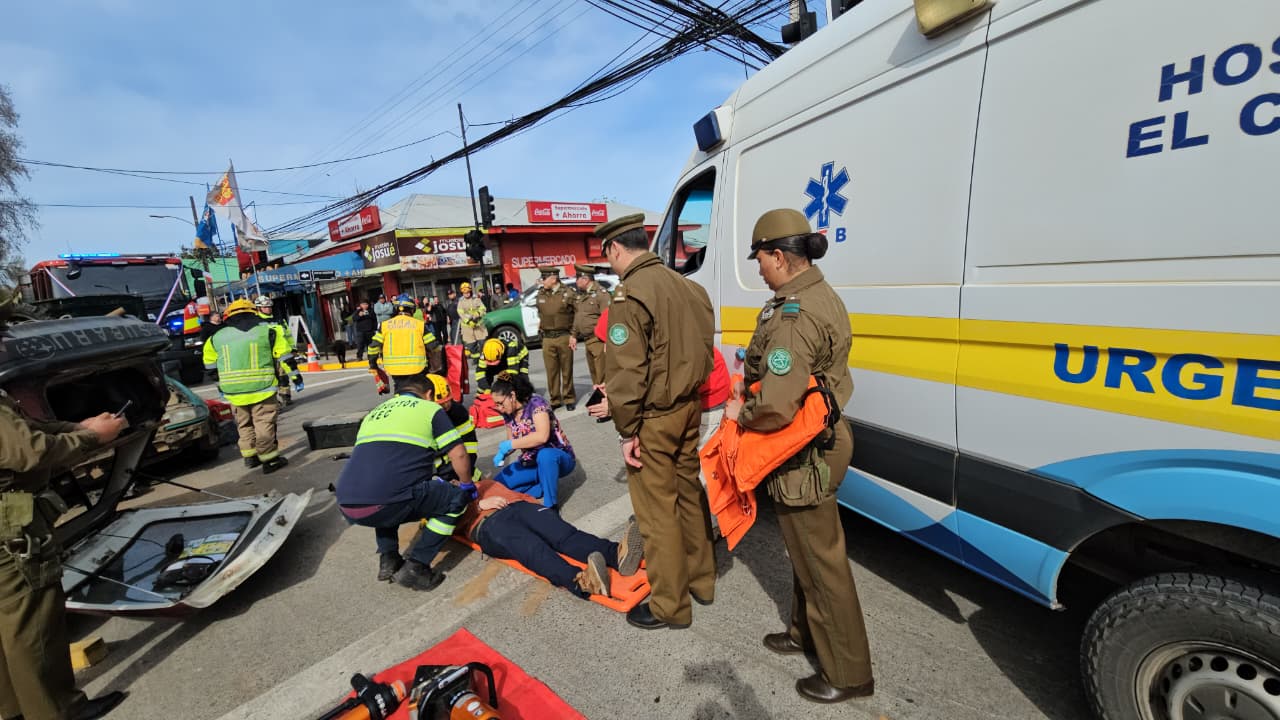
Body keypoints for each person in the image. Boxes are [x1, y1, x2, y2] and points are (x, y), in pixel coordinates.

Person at [725, 208, 874, 703]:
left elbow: (777, 404)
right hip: (812, 441)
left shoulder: (796, 314)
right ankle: (804, 633)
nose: (759, 269)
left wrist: (739, 411)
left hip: (803, 449)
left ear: (778, 256)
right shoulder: (809, 296)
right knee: (805, 553)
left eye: (761, 259)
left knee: (820, 559)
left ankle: (848, 674)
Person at [0, 308, 129, 720]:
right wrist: (93, 437)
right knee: (33, 623)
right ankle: (58, 711)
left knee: (7, 627)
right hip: (10, 528)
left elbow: (25, 433)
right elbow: (29, 451)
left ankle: (16, 709)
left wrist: (79, 427)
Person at [595, 213, 715, 631]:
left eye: (606, 254)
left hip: (655, 417)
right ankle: (703, 580)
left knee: (656, 512)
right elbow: (704, 354)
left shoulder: (630, 296)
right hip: (689, 408)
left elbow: (627, 375)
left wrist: (627, 431)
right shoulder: (691, 287)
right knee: (688, 495)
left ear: (614, 248)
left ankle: (670, 605)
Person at [334, 373, 473, 591]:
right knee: (455, 499)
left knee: (386, 492)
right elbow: (460, 455)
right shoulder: (429, 409)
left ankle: (388, 558)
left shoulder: (374, 414)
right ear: (428, 394)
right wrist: (466, 485)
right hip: (387, 501)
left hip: (347, 503)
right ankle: (417, 566)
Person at [458, 480, 644, 599]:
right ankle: (582, 582)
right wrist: (478, 505)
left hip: (519, 506)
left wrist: (538, 509)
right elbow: (446, 523)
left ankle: (618, 555)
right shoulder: (442, 495)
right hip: (487, 523)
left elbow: (520, 495)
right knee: (532, 549)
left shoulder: (484, 482)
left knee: (564, 535)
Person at [204, 299, 300, 473]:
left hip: (234, 392)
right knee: (264, 423)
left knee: (244, 424)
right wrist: (296, 377)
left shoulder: (216, 338)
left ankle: (250, 456)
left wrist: (220, 386)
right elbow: (285, 357)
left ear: (228, 316)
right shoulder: (268, 331)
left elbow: (210, 366)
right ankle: (269, 460)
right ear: (254, 312)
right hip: (262, 388)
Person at [490, 373, 574, 510]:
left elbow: (542, 437)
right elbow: (512, 441)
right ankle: (541, 485)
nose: (499, 408)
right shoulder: (507, 412)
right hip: (531, 461)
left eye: (500, 403)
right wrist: (503, 453)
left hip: (558, 458)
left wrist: (510, 445)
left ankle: (551, 505)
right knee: (498, 485)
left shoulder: (536, 403)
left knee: (545, 455)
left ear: (512, 395)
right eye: (496, 404)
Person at [368, 294, 444, 390]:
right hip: (417, 368)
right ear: (412, 310)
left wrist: (373, 364)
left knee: (400, 389)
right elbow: (433, 346)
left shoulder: (385, 325)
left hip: (394, 369)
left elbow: (373, 347)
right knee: (421, 391)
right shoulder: (419, 325)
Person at [422, 374, 479, 483]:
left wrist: (466, 470)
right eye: (441, 404)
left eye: (448, 400)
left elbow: (470, 443)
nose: (446, 406)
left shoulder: (458, 412)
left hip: (459, 463)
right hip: (434, 472)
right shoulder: (422, 418)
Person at [534, 266, 576, 410]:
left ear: (553, 278)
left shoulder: (568, 293)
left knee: (566, 369)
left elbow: (577, 315)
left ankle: (569, 398)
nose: (542, 281)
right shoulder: (541, 294)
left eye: (544, 278)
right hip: (547, 338)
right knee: (551, 371)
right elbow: (541, 313)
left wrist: (574, 335)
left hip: (564, 336)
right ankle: (555, 400)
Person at [570, 264, 610, 387]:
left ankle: (605, 401)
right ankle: (598, 400)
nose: (576, 281)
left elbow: (608, 318)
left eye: (578, 278)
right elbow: (579, 316)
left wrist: (607, 341)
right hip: (587, 340)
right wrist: (574, 335)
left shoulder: (601, 294)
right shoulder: (582, 295)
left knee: (602, 374)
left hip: (598, 340)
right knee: (594, 374)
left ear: (586, 279)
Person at [254, 295, 296, 408]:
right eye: (265, 307)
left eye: (269, 306)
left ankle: (286, 396)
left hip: (281, 353)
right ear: (259, 308)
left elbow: (288, 334)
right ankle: (273, 401)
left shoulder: (279, 319)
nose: (268, 308)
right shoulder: (255, 322)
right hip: (266, 355)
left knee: (283, 376)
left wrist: (293, 348)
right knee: (270, 378)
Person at [457, 282, 487, 347]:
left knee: (483, 343)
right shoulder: (461, 302)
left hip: (479, 326)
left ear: (470, 291)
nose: (466, 294)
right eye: (465, 293)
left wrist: (478, 313)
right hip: (467, 328)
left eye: (468, 292)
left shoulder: (476, 299)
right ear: (462, 293)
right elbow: (460, 313)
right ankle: (475, 357)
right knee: (471, 346)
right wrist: (468, 321)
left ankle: (483, 356)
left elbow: (483, 308)